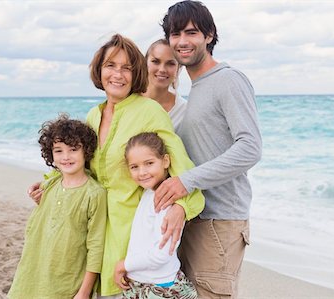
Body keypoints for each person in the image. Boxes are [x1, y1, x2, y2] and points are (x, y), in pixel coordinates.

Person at [28, 33, 205, 298]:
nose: (118, 74)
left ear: (136, 74)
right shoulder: (93, 114)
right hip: (91, 230)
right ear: (99, 71)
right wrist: (50, 184)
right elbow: (82, 167)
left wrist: (181, 207)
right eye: (111, 66)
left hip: (131, 235)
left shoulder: (150, 111)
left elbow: (183, 171)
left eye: (127, 68)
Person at [155, 1, 263, 298]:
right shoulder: (197, 88)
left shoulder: (228, 79)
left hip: (220, 221)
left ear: (209, 36)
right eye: (175, 34)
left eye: (191, 32)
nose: (182, 41)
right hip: (194, 217)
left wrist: (184, 182)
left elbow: (250, 148)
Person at [8, 114, 107, 299]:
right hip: (32, 273)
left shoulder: (95, 194)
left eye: (73, 149)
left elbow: (96, 247)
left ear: (86, 151)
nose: (66, 157)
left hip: (67, 283)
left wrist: (84, 292)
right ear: (50, 154)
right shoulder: (51, 184)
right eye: (59, 151)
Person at [114, 132, 198, 299]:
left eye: (149, 163)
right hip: (140, 282)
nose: (142, 172)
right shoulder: (148, 193)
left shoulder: (166, 201)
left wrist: (124, 265)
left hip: (160, 287)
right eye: (134, 167)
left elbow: (162, 254)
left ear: (165, 161)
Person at [142, 39, 186, 131]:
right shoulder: (128, 100)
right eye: (156, 61)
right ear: (145, 63)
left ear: (178, 68)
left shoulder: (184, 111)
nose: (162, 69)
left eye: (170, 64)